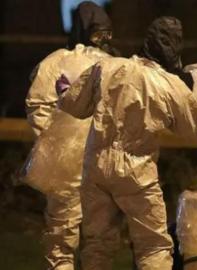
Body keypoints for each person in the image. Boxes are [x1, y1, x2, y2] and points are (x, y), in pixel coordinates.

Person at [55, 16, 197, 270]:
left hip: (95, 167)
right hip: (137, 173)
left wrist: (63, 90)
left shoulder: (107, 68)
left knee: (97, 245)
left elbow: (73, 104)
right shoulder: (170, 85)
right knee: (153, 247)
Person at [25, 2, 117, 269]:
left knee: (72, 239)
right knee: (84, 240)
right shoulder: (111, 65)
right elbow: (39, 106)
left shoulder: (59, 62)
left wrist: (54, 145)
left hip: (81, 165)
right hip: (87, 165)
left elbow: (37, 106)